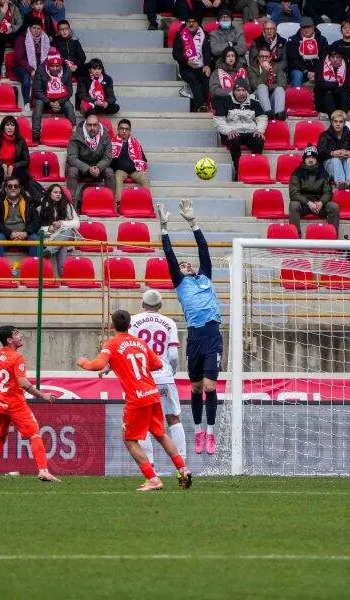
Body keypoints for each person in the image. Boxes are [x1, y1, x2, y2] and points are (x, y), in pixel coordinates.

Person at [78, 310, 192, 491]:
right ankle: (183, 469)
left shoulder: (112, 344)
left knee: (130, 440)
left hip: (136, 399)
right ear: (130, 325)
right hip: (152, 393)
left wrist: (84, 362)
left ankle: (152, 479)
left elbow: (97, 365)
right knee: (161, 435)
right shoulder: (140, 342)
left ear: (112, 326)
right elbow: (157, 364)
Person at [155, 200, 222, 455]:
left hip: (212, 334)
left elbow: (203, 248)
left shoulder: (205, 276)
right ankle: (198, 432)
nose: (187, 266)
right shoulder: (180, 284)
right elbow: (169, 255)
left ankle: (211, 433)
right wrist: (164, 227)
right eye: (182, 266)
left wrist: (192, 222)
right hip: (195, 338)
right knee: (195, 388)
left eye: (188, 264)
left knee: (210, 387)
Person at [0, 325, 59, 483]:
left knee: (0, 436)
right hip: (14, 404)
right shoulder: (17, 357)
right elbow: (23, 383)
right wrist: (43, 396)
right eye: (17, 334)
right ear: (9, 340)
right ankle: (43, 471)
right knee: (34, 434)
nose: (21, 335)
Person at [129, 289, 187, 460]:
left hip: (142, 378)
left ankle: (150, 464)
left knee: (143, 421)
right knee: (173, 418)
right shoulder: (169, 323)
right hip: (164, 376)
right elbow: (173, 355)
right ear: (160, 305)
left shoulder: (133, 321)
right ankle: (182, 461)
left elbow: (130, 350)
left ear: (142, 304)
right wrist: (171, 371)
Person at [212, 79, 266, 176]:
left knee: (259, 139)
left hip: (249, 132)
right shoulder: (225, 100)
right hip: (232, 132)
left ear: (247, 91)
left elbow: (262, 118)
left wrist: (259, 130)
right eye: (238, 90)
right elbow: (218, 120)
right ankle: (239, 169)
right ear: (233, 91)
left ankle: (254, 168)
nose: (241, 93)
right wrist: (229, 131)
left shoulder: (253, 101)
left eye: (243, 90)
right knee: (234, 138)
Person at [288, 145, 339, 236]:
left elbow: (328, 192)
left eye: (313, 157)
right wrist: (308, 202)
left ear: (316, 159)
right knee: (293, 205)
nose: (311, 160)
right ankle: (295, 237)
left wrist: (321, 202)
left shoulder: (323, 172)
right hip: (304, 204)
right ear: (304, 159)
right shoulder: (297, 172)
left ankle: (332, 236)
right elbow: (293, 193)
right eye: (308, 157)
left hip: (319, 205)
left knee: (334, 207)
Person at [30, 183, 79, 277]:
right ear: (49, 194)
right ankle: (62, 279)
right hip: (48, 237)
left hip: (63, 235)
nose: (58, 194)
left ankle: (49, 251)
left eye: (60, 193)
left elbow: (77, 224)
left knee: (68, 233)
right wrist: (48, 228)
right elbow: (36, 227)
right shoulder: (40, 207)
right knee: (62, 245)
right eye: (55, 192)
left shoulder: (67, 206)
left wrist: (62, 224)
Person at [0, 175, 40, 257]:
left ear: (19, 189)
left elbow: (37, 221)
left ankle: (35, 265)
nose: (13, 188)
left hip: (24, 234)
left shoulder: (29, 202)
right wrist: (9, 233)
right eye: (10, 186)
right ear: (6, 189)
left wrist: (26, 232)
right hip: (4, 234)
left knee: (35, 239)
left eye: (16, 186)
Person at [65, 114, 115, 204]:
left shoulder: (105, 136)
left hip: (97, 168)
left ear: (99, 125)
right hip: (81, 168)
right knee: (72, 171)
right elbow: (71, 157)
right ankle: (70, 202)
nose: (92, 128)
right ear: (85, 125)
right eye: (89, 125)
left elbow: (107, 157)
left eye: (95, 125)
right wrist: (88, 168)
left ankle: (111, 202)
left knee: (109, 172)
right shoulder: (76, 136)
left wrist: (98, 167)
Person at [30, 49, 76, 144]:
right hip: (44, 100)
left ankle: (73, 134)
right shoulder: (40, 71)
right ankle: (36, 134)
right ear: (48, 65)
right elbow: (37, 91)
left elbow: (69, 92)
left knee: (69, 106)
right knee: (38, 104)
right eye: (52, 66)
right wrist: (50, 102)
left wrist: (59, 102)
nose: (55, 68)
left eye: (57, 66)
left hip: (60, 100)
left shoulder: (67, 71)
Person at [173, 16, 211, 113]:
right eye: (189, 22)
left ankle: (207, 104)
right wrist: (187, 62)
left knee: (206, 78)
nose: (191, 24)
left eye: (194, 21)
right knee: (192, 79)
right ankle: (201, 105)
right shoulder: (180, 35)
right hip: (186, 67)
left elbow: (207, 52)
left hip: (201, 66)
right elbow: (175, 53)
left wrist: (207, 65)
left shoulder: (204, 34)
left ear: (198, 23)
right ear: (186, 23)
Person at [111, 118, 150, 206]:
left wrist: (141, 166)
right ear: (118, 129)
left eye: (127, 129)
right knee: (117, 176)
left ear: (130, 131)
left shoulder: (135, 143)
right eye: (122, 128)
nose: (124, 131)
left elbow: (143, 158)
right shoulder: (112, 143)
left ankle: (146, 203)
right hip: (121, 170)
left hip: (134, 170)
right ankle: (118, 204)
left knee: (144, 178)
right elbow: (109, 159)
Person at [0, 115, 30, 190]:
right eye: (7, 125)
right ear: (3, 127)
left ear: (15, 127)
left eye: (12, 125)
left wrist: (13, 166)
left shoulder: (21, 140)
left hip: (14, 166)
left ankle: (20, 194)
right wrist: (1, 164)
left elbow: (26, 161)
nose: (10, 128)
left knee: (23, 174)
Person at [13, 17, 50, 107]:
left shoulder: (45, 39)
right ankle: (27, 103)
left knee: (46, 76)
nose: (36, 31)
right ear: (30, 28)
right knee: (26, 78)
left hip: (39, 66)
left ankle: (44, 103)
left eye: (39, 28)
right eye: (34, 28)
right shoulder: (22, 38)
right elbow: (19, 59)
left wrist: (40, 69)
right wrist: (31, 69)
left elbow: (46, 57)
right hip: (22, 67)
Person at [317, 110, 350, 189]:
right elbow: (320, 153)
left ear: (344, 123)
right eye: (335, 121)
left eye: (340, 122)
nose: (338, 124)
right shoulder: (325, 135)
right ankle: (340, 183)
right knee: (335, 159)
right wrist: (332, 153)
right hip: (330, 164)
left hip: (346, 163)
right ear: (332, 122)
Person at [286, 16, 327, 87]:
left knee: (325, 73)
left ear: (313, 27)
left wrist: (316, 72)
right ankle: (297, 93)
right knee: (297, 75)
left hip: (317, 70)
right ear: (300, 28)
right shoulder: (293, 40)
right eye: (304, 27)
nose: (306, 30)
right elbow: (293, 61)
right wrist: (306, 72)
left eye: (309, 27)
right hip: (300, 70)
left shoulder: (321, 40)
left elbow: (324, 58)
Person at [248, 46, 286, 120]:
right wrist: (264, 70)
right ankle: (268, 114)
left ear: (270, 58)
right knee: (262, 87)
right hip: (258, 98)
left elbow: (283, 84)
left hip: (272, 98)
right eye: (262, 56)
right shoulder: (251, 68)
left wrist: (268, 86)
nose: (264, 59)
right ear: (258, 58)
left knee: (280, 89)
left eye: (266, 56)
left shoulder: (277, 67)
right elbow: (254, 86)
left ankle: (279, 115)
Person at [315, 48, 350, 114]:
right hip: (324, 97)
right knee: (327, 93)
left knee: (345, 94)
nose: (335, 60)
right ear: (329, 58)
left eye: (338, 57)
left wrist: (330, 86)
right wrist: (336, 84)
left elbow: (348, 85)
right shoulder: (321, 66)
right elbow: (319, 84)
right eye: (332, 57)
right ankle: (333, 118)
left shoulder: (348, 68)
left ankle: (342, 116)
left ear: (342, 58)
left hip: (340, 98)